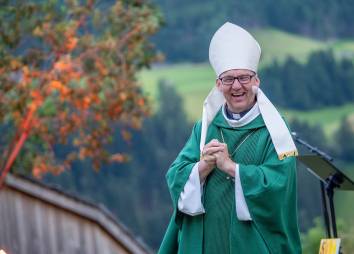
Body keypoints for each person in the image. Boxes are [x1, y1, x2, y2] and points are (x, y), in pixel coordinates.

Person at [158, 22, 302, 254]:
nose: (237, 86)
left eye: (244, 78)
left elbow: (280, 186)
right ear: (218, 85)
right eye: (228, 79)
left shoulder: (275, 130)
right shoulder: (205, 128)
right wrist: (203, 166)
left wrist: (232, 168)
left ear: (256, 81)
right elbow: (175, 176)